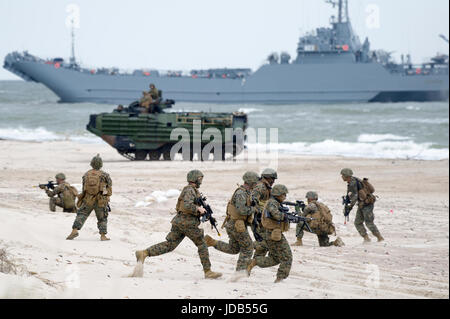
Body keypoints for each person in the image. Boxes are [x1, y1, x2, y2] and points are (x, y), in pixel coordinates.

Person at [134, 170, 222, 279]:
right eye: (200, 179)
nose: (201, 181)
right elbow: (187, 205)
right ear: (195, 179)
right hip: (188, 223)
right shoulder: (190, 190)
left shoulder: (192, 190)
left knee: (169, 245)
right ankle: (208, 271)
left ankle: (144, 253)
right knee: (202, 244)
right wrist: (198, 208)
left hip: (179, 222)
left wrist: (205, 214)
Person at [204, 171, 259, 276]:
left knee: (234, 249)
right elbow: (242, 210)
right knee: (248, 248)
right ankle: (240, 272)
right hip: (236, 225)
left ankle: (212, 242)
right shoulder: (241, 193)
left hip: (234, 224)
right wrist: (254, 209)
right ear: (251, 182)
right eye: (255, 182)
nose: (256, 185)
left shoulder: (246, 192)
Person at [247, 184, 292, 283]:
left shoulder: (274, 202)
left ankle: (254, 262)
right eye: (284, 194)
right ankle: (280, 279)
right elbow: (275, 214)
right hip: (273, 234)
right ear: (278, 194)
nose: (285, 197)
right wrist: (285, 216)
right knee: (287, 257)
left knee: (275, 258)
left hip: (272, 234)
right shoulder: (272, 203)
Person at [66, 154, 112, 241]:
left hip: (88, 199)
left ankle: (74, 230)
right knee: (102, 218)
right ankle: (103, 236)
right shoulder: (105, 175)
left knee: (81, 215)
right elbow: (108, 189)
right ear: (101, 164)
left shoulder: (86, 174)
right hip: (100, 200)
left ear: (91, 164)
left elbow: (84, 188)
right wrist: (105, 196)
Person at [341, 168, 384, 243]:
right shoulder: (354, 180)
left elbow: (353, 198)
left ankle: (380, 238)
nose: (341, 177)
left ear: (346, 176)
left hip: (367, 204)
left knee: (369, 222)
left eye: (342, 175)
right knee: (357, 222)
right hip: (362, 204)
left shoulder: (352, 183)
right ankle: (366, 238)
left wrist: (348, 208)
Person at [252, 168, 277, 258]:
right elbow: (252, 202)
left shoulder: (266, 187)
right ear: (267, 177)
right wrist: (262, 210)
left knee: (264, 243)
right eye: (272, 179)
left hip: (262, 218)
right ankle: (246, 246)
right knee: (263, 242)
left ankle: (254, 262)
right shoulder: (260, 187)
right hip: (256, 219)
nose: (273, 181)